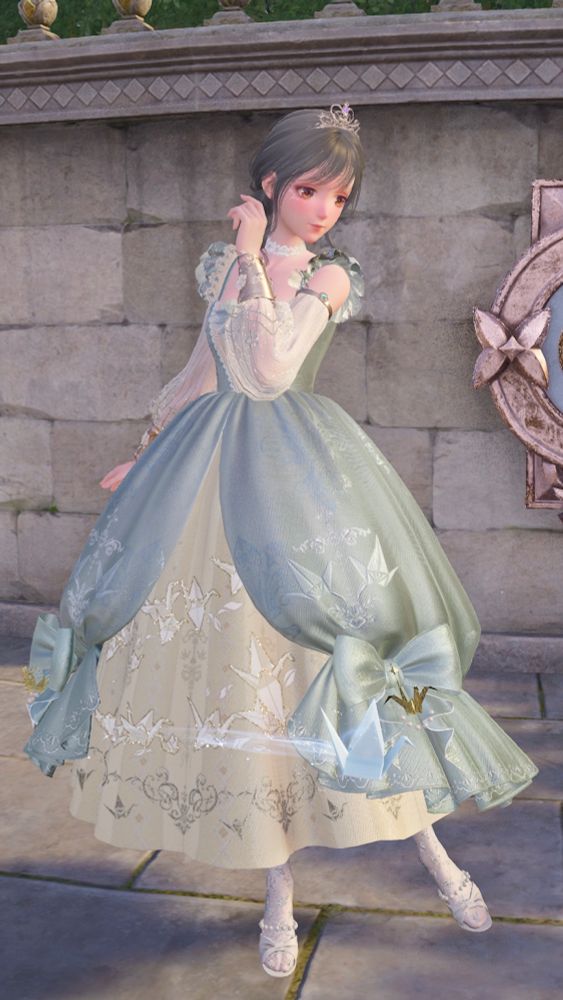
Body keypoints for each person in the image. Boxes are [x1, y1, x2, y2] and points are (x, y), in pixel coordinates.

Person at [22, 104, 538, 979]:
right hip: (201, 484)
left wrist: (264, 260)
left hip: (296, 484)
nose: (326, 208)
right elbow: (202, 370)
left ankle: (437, 859)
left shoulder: (328, 276)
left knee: (343, 672)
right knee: (242, 689)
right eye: (309, 190)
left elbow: (268, 370)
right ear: (270, 184)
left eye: (339, 195)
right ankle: (278, 893)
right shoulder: (229, 267)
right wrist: (144, 451)